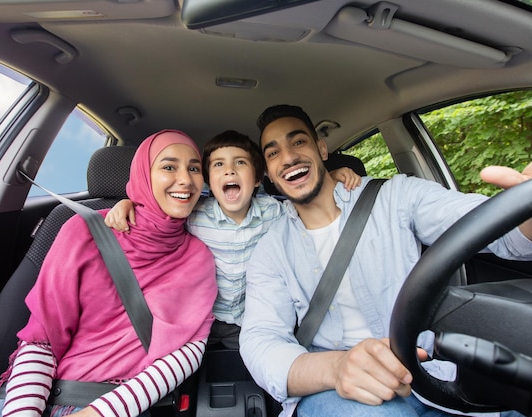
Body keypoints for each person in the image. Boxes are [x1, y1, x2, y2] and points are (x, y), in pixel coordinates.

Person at [238, 104, 532, 417]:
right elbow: (260, 339)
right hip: (340, 391)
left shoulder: (396, 197)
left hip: (432, 375)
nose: (288, 158)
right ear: (270, 175)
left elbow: (495, 232)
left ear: (321, 148)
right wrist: (337, 367)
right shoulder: (270, 250)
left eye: (298, 142)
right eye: (273, 153)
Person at [0, 130, 218, 417]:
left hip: (123, 406)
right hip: (36, 395)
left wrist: (96, 414)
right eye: (169, 167)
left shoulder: (198, 257)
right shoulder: (82, 231)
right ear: (144, 174)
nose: (186, 179)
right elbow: (42, 338)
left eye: (194, 168)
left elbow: (185, 354)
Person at [104, 130, 361, 349]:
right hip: (204, 319)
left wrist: (331, 178)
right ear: (208, 183)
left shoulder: (274, 212)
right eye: (218, 165)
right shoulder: (194, 214)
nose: (229, 171)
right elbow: (160, 212)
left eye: (240, 163)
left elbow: (308, 206)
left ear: (258, 179)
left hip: (250, 321)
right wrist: (128, 203)